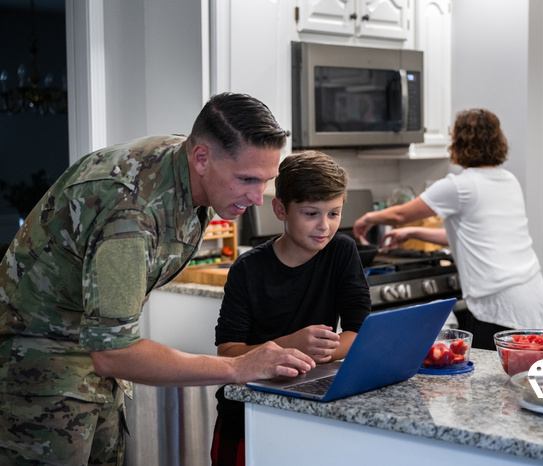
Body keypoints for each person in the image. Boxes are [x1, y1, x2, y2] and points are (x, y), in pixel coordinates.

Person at [0, 93, 316, 465]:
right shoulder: (131, 215)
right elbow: (113, 352)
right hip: (37, 361)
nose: (258, 197)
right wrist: (236, 367)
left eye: (265, 180)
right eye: (246, 179)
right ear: (201, 158)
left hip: (91, 349)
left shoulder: (186, 167)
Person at [211, 150, 371, 465]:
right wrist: (292, 345)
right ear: (280, 209)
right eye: (311, 213)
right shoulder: (248, 269)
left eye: (334, 213)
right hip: (246, 415)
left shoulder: (341, 251)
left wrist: (316, 350)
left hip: (308, 410)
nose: (324, 227)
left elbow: (362, 334)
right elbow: (228, 354)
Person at [353, 108, 543, 350]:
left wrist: (367, 218)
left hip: (498, 304)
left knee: (495, 377)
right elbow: (471, 238)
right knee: (524, 372)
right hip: (531, 292)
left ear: (460, 141)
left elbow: (401, 213)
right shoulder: (508, 180)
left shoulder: (459, 186)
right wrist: (413, 232)